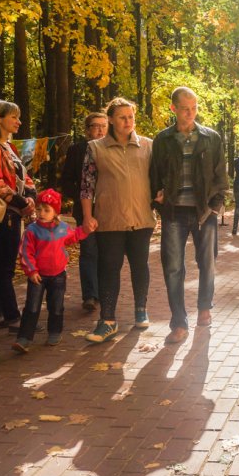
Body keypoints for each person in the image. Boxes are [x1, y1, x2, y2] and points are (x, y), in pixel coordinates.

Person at [150, 87, 229, 344]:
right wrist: (158, 200)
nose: (190, 113)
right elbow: (154, 175)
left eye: (194, 107)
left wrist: (215, 206)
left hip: (204, 212)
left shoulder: (211, 138)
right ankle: (179, 323)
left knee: (207, 262)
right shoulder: (162, 140)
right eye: (185, 108)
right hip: (174, 212)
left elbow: (220, 175)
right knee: (173, 267)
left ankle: (204, 306)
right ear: (173, 109)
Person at [81, 97, 156, 344]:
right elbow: (87, 186)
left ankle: (141, 309)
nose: (128, 121)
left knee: (140, 266)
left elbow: (157, 181)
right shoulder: (95, 148)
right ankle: (108, 321)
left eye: (131, 117)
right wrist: (88, 216)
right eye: (122, 117)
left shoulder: (148, 146)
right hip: (109, 219)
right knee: (109, 269)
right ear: (111, 119)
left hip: (141, 219)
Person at [0, 100, 37, 331]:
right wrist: (22, 202)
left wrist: (32, 195)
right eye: (13, 117)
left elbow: (25, 178)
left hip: (13, 211)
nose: (18, 121)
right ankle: (14, 318)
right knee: (5, 268)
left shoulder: (8, 148)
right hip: (4, 213)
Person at [12, 189, 97, 353]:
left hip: (58, 275)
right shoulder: (32, 231)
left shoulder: (63, 228)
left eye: (46, 210)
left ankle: (55, 332)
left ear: (55, 212)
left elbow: (73, 237)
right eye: (39, 209)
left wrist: (85, 231)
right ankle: (24, 338)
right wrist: (31, 271)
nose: (41, 213)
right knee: (32, 307)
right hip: (38, 276)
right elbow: (25, 252)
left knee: (56, 306)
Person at [60, 111, 109, 311]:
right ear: (87, 130)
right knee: (89, 251)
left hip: (110, 210)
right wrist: (83, 195)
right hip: (85, 211)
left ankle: (105, 292)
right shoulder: (77, 150)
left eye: (103, 126)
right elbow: (66, 181)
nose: (99, 129)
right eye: (94, 126)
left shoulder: (113, 149)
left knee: (107, 252)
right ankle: (90, 295)